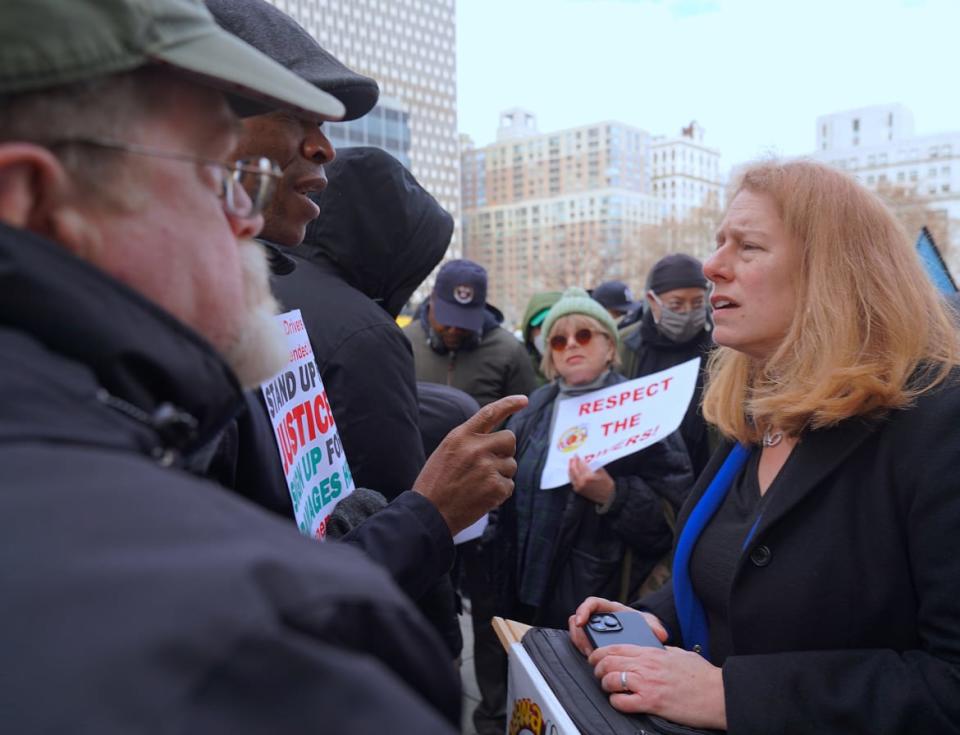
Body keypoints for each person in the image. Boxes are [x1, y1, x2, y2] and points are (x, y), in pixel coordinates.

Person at [0, 0, 524, 730]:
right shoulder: (257, 651)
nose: (246, 223)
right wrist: (418, 526)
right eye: (228, 173)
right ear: (35, 200)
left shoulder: (138, 419)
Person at [570, 160, 960, 734]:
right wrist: (650, 624)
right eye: (718, 243)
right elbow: (734, 582)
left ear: (833, 272)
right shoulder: (757, 418)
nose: (712, 266)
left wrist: (735, 696)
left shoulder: (938, 422)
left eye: (747, 247)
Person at [496, 287, 693, 629]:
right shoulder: (531, 411)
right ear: (551, 356)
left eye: (583, 334)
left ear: (610, 346)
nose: (571, 344)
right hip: (522, 590)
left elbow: (673, 522)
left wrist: (614, 496)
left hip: (597, 600)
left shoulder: (644, 410)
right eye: (558, 340)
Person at [619, 254, 714, 475]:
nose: (688, 312)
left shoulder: (723, 346)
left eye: (698, 302)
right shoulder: (624, 345)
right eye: (677, 304)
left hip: (705, 472)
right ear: (653, 301)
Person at [405, 258, 537, 407]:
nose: (454, 330)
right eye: (447, 319)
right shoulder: (404, 342)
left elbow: (526, 418)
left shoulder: (510, 351)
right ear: (432, 300)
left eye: (464, 322)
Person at [520, 290, 562, 387]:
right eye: (542, 324)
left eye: (555, 324)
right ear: (529, 335)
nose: (549, 332)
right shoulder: (519, 374)